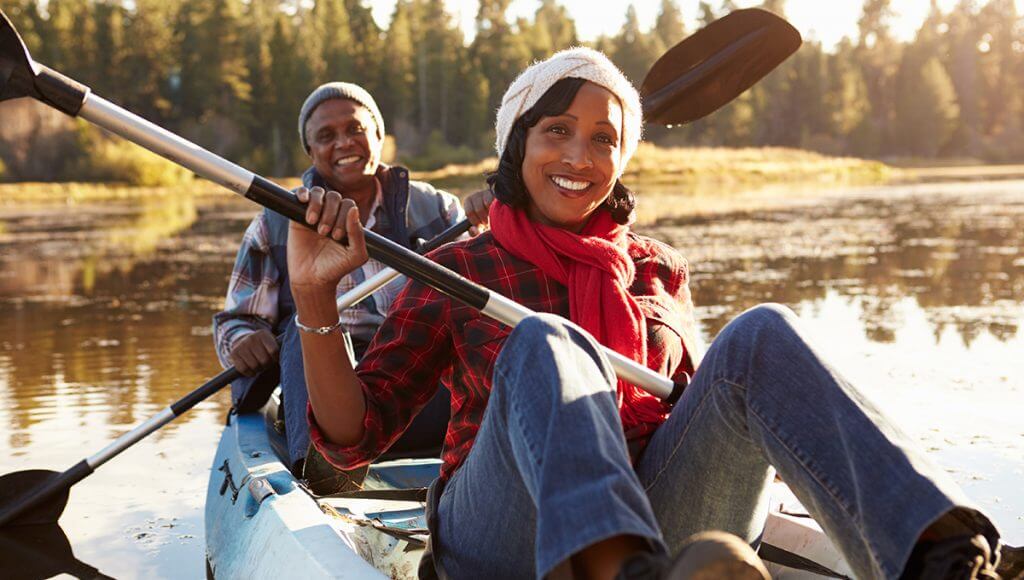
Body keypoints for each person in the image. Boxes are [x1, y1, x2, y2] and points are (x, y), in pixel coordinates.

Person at [286, 49, 1004, 580]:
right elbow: (353, 441)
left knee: (760, 332)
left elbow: (696, 409)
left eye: (604, 139)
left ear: (621, 160)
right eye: (557, 131)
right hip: (501, 537)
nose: (581, 155)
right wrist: (314, 299)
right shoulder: (458, 270)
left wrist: (785, 450)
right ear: (518, 146)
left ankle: (946, 555)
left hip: (658, 517)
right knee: (548, 338)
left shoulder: (655, 265)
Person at [213, 81, 490, 474]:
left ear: (379, 136)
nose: (343, 143)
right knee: (299, 328)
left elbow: (484, 300)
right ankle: (324, 477)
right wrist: (242, 340)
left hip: (420, 387)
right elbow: (236, 321)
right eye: (326, 136)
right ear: (310, 153)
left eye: (355, 129)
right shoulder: (274, 224)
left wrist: (493, 230)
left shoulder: (439, 209)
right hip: (328, 401)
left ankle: (485, 460)